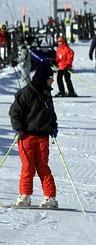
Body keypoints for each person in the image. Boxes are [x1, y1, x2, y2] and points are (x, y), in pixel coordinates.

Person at [8, 61, 59, 208]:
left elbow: (51, 113)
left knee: (43, 166)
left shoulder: (47, 93)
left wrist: (53, 126)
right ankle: (25, 196)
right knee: (28, 166)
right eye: (50, 77)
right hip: (27, 136)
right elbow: (14, 112)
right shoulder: (27, 92)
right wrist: (19, 128)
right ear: (43, 77)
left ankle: (50, 197)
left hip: (43, 136)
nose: (52, 80)